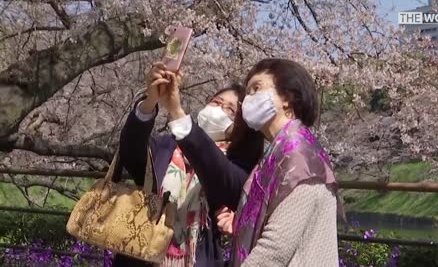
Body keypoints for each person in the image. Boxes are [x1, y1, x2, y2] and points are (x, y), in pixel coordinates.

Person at [112, 63, 264, 267]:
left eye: (230, 110)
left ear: (242, 126)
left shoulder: (240, 166)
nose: (218, 110)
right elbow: (131, 154)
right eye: (216, 102)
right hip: (140, 254)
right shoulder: (166, 145)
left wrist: (177, 112)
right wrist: (150, 102)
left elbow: (218, 174)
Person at [215, 58, 341, 267]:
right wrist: (240, 223)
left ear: (287, 98)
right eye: (248, 93)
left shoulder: (300, 158)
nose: (248, 99)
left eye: (257, 88)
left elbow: (275, 249)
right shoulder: (277, 153)